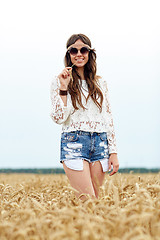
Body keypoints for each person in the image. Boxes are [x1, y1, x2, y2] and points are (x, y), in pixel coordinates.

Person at [50, 33, 119, 200]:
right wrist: (64, 88)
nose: (79, 54)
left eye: (83, 50)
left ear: (90, 53)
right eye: (74, 50)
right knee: (87, 201)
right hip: (74, 142)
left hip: (100, 143)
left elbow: (107, 118)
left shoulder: (100, 83)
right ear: (68, 54)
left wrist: (113, 152)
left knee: (96, 202)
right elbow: (59, 118)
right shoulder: (59, 81)